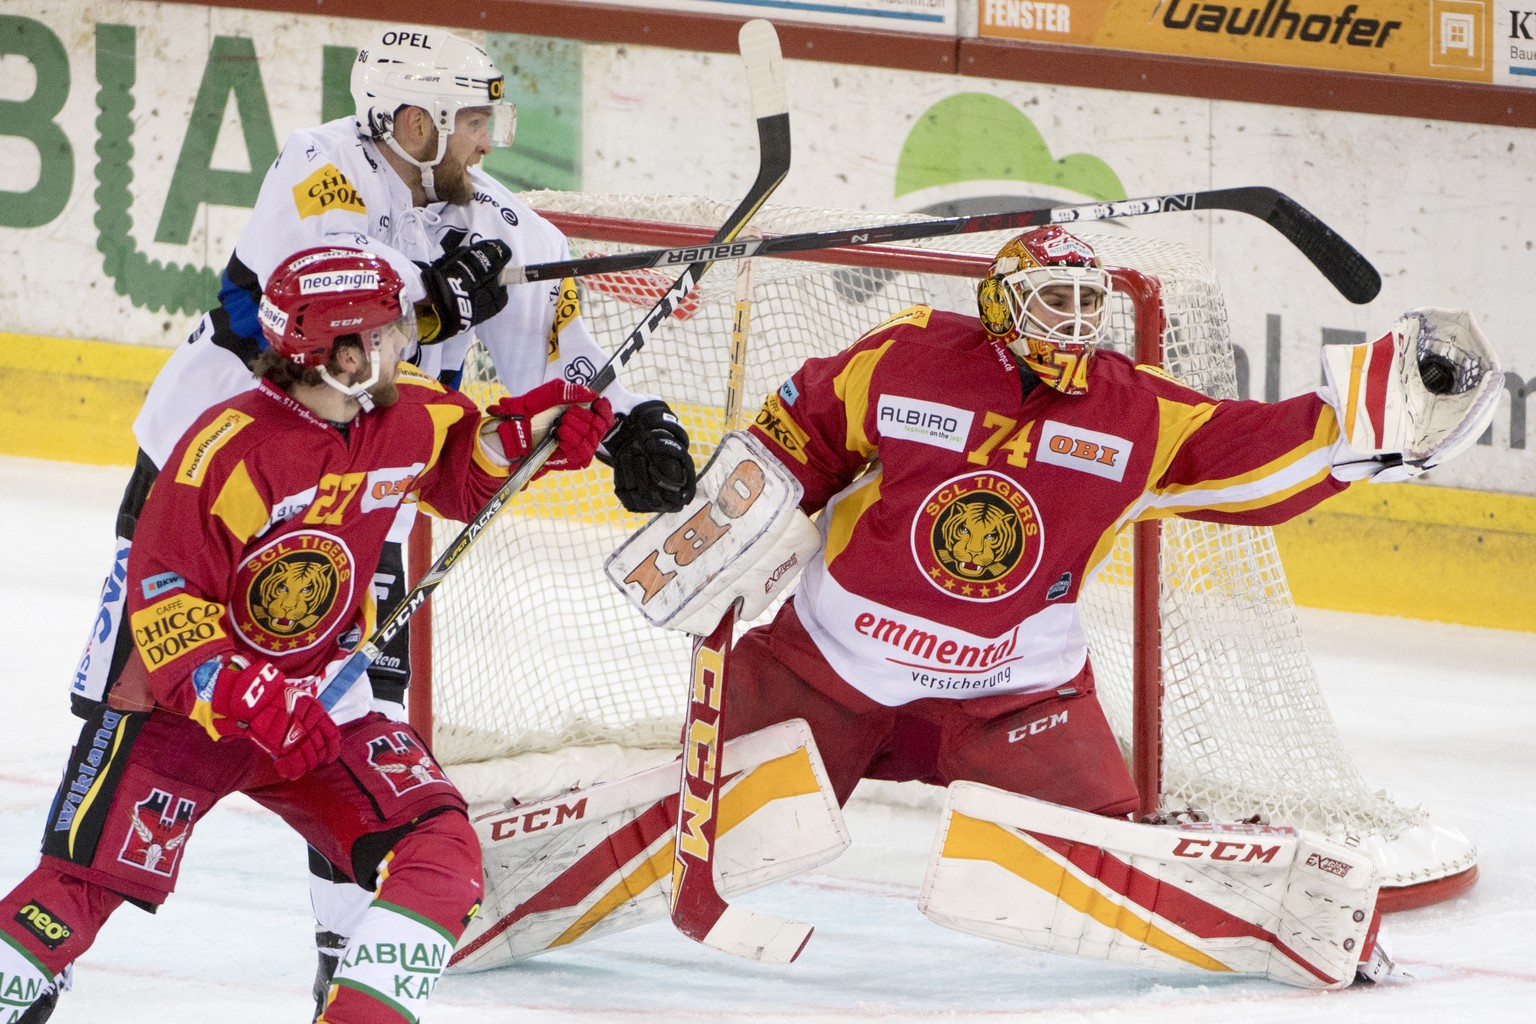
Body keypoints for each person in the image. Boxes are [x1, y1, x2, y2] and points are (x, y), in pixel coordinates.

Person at [60, 25, 696, 1017]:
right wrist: (434, 304)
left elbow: (556, 383)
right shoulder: (319, 170)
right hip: (206, 490)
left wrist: (624, 438)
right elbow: (312, 308)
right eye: (472, 117)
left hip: (363, 501)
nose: (489, 139)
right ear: (409, 120)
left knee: (357, 727)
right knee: (141, 715)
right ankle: (47, 934)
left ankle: (341, 959)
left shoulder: (515, 230)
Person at [0, 247, 615, 1023]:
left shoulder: (408, 412)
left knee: (441, 849)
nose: (406, 344)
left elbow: (458, 466)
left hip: (324, 699)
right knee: (75, 895)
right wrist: (246, 693)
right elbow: (164, 602)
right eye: (389, 332)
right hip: (182, 714)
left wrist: (527, 438)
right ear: (345, 355)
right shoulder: (228, 453)